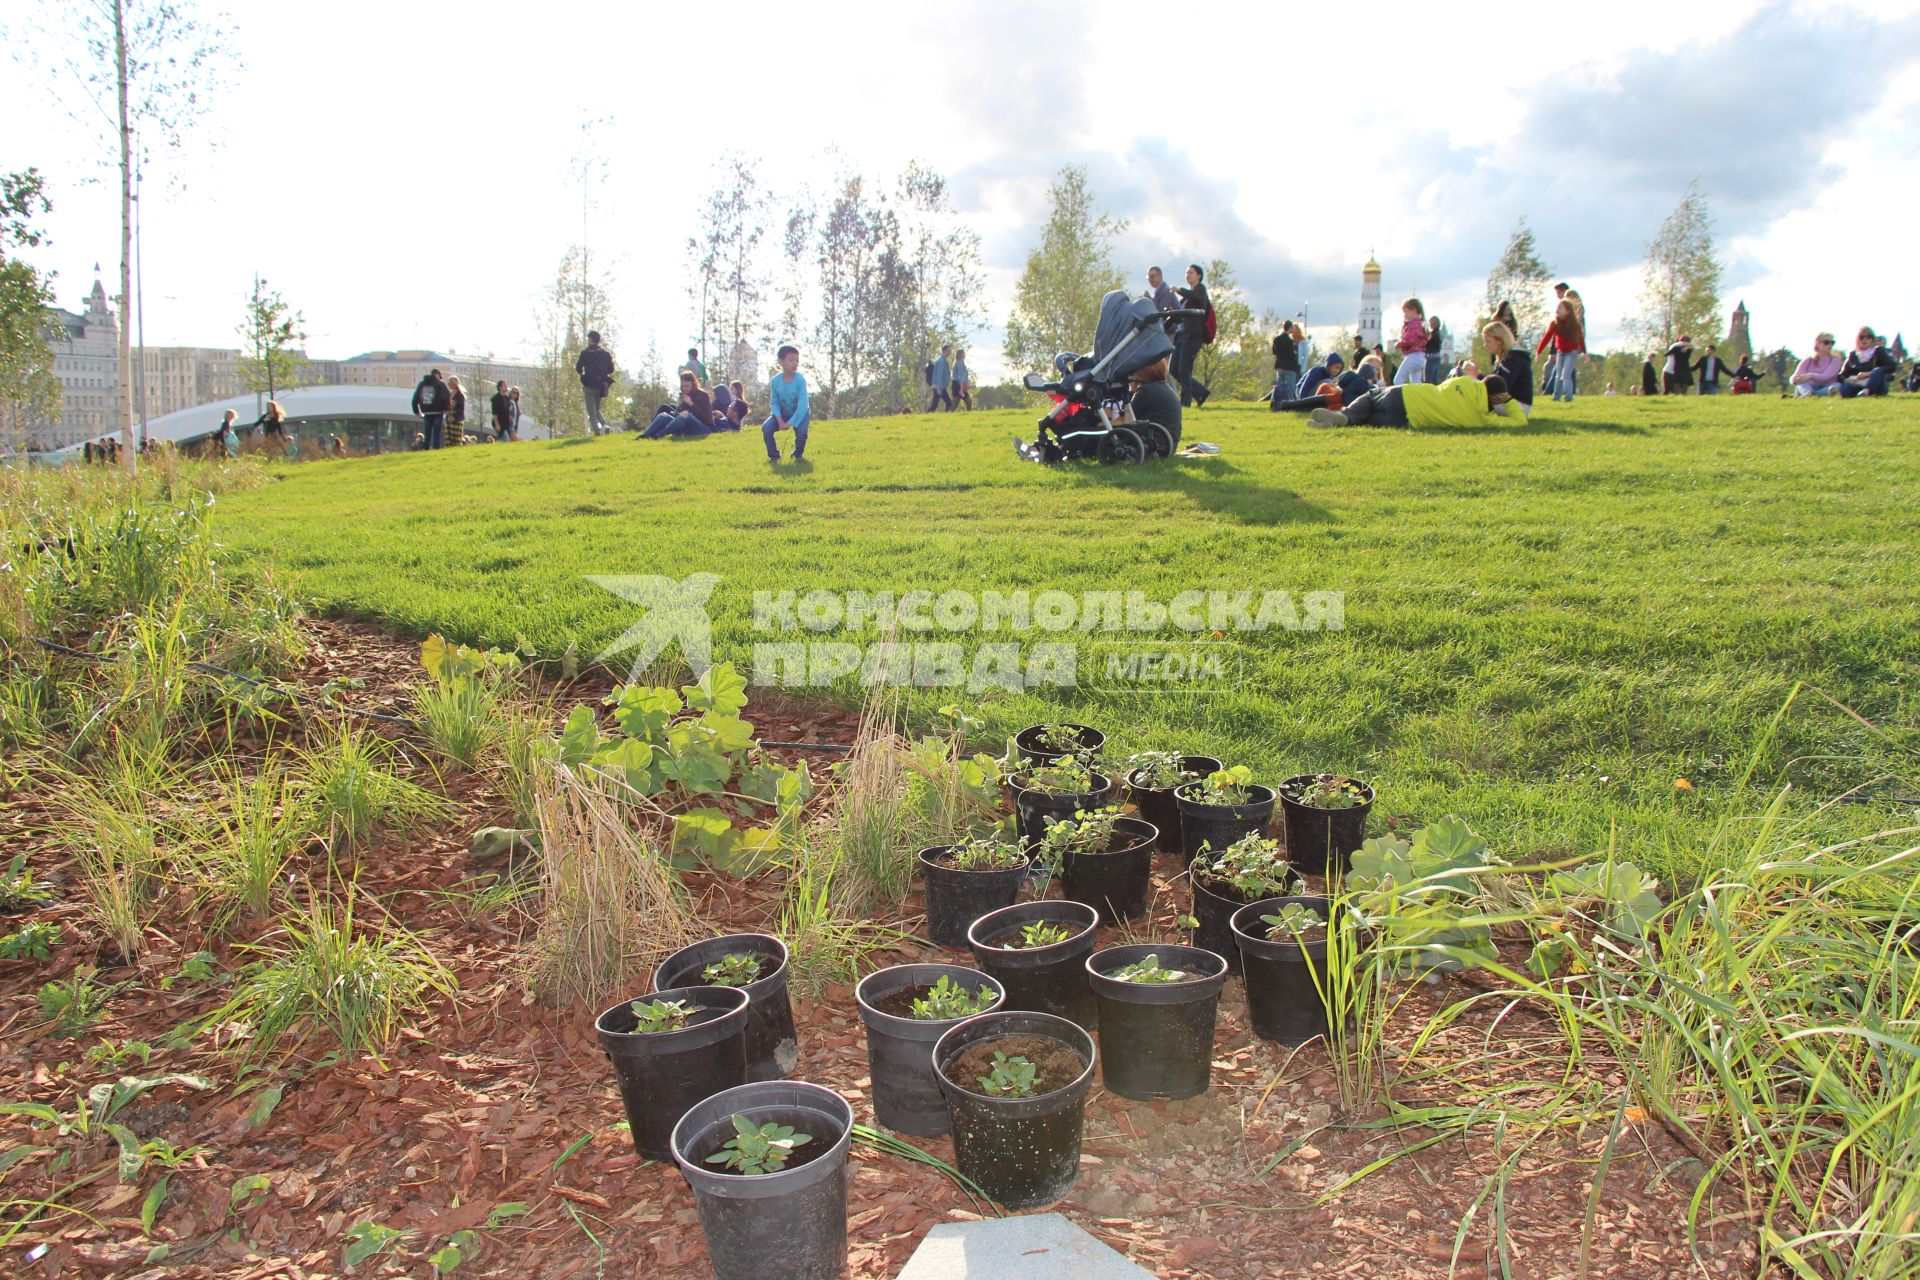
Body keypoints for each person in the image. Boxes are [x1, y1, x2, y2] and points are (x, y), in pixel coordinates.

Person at [1308, 374, 1513, 428]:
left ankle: (1343, 416)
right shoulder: (1481, 420)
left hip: (1407, 395)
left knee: (1370, 397)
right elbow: (1519, 421)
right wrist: (1509, 402)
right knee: (1369, 419)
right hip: (1409, 421)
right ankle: (1336, 422)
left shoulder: (1466, 382)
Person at [1171, 264, 1212, 408]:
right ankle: (1200, 392)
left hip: (1192, 336)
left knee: (1184, 370)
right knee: (1173, 369)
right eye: (1187, 273)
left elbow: (1194, 296)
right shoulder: (1186, 299)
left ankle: (1185, 403)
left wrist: (1179, 290)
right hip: (1181, 335)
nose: (1188, 275)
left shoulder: (1200, 290)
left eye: (1191, 273)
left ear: (1199, 276)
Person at [764, 344, 810, 461]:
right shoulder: (775, 381)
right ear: (781, 361)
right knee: (766, 428)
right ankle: (774, 456)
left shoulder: (800, 380)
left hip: (800, 414)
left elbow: (803, 406)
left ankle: (797, 455)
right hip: (782, 414)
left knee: (801, 434)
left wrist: (789, 423)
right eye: (791, 360)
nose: (794, 363)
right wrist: (779, 420)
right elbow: (774, 402)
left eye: (796, 360)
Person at [1535, 301, 1584, 403]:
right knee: (1558, 376)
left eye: (1560, 308)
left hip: (1572, 352)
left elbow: (1580, 338)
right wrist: (1539, 351)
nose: (1557, 310)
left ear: (1567, 311)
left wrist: (1585, 352)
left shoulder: (1574, 324)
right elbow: (1547, 337)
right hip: (1561, 352)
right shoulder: (1555, 323)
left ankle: (1568, 398)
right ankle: (1556, 397)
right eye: (1557, 308)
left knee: (1565, 375)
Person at [1482, 322, 1533, 418]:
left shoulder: (1513, 359)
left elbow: (1500, 387)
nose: (1485, 345)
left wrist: (1477, 375)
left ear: (1500, 340)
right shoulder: (1504, 359)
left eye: (1488, 341)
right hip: (1508, 402)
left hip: (1518, 406)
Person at [643, 371, 715, 438]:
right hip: (687, 428)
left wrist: (691, 403)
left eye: (687, 386)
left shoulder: (703, 395)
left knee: (686, 414)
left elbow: (707, 418)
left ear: (693, 384)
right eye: (683, 386)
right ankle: (644, 436)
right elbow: (679, 417)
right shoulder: (684, 395)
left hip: (703, 428)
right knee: (663, 415)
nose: (685, 388)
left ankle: (658, 436)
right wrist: (680, 405)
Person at [576, 331, 616, 434]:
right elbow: (611, 369)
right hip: (601, 385)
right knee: (597, 409)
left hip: (589, 384)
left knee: (591, 412)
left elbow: (578, 368)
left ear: (590, 339)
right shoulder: (605, 354)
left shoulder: (585, 353)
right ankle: (605, 425)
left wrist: (583, 375)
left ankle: (597, 432)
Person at [1838, 328, 1896, 397]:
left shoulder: (1879, 351)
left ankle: (1866, 391)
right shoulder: (1853, 355)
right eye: (1861, 337)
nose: (1865, 340)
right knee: (1845, 388)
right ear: (1857, 339)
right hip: (1857, 384)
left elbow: (1892, 366)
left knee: (1878, 370)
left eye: (1868, 337)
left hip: (1877, 385)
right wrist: (1853, 379)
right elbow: (1843, 374)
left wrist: (1868, 374)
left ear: (1872, 339)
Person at [411, 369, 450, 448]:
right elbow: (445, 397)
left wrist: (416, 411)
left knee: (427, 434)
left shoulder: (421, 384)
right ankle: (435, 450)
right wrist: (446, 408)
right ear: (438, 375)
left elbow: (415, 398)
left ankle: (426, 449)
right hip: (438, 412)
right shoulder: (440, 384)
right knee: (436, 435)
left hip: (426, 412)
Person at [1393, 297, 1428, 385]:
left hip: (1413, 356)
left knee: (1398, 380)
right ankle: (1417, 398)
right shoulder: (1421, 323)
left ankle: (1400, 397)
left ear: (1413, 310)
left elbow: (1410, 339)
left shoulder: (1414, 324)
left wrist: (1398, 344)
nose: (1404, 315)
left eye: (1405, 312)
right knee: (1416, 384)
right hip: (1421, 357)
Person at [1269, 320, 1302, 410]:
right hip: (1289, 367)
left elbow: (1274, 351)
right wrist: (1297, 366)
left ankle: (1274, 404)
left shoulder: (1277, 339)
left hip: (1279, 366)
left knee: (1279, 386)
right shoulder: (1289, 341)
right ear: (1290, 328)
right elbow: (1292, 355)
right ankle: (1294, 405)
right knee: (1291, 387)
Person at [927, 344, 954, 412]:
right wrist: (939, 388)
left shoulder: (942, 360)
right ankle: (946, 418)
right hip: (939, 386)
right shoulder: (941, 361)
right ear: (944, 351)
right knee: (949, 403)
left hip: (939, 386)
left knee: (934, 405)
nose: (950, 352)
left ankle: (926, 415)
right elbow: (939, 375)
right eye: (949, 351)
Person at [446, 375, 467, 445]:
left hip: (457, 419)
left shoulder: (460, 395)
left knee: (456, 440)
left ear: (454, 383)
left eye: (450, 383)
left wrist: (452, 413)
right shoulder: (449, 394)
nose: (448, 384)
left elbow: (461, 409)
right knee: (448, 439)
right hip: (448, 419)